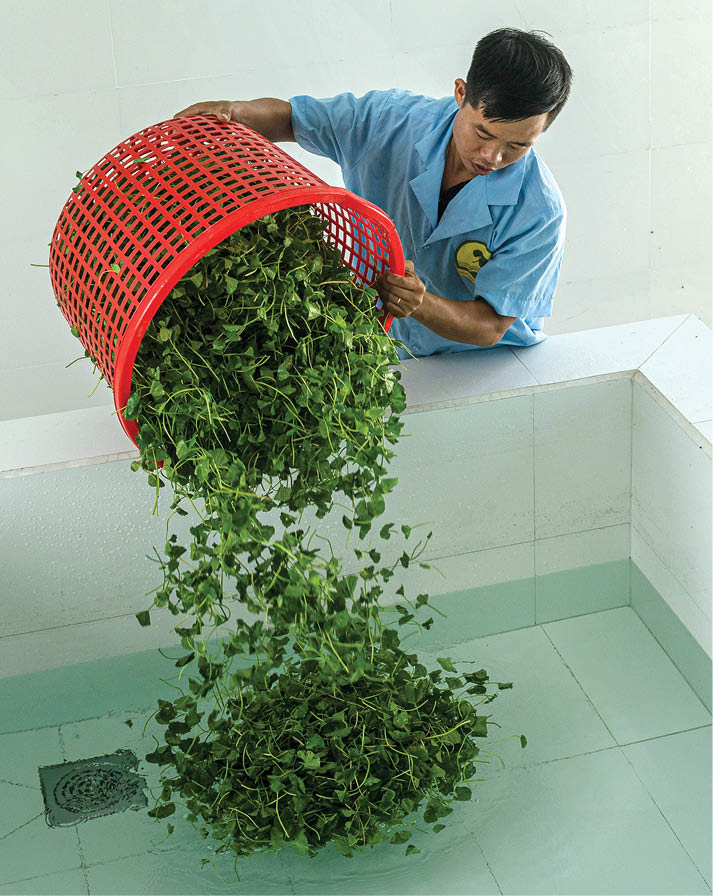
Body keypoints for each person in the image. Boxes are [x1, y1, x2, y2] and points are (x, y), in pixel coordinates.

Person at [174, 28, 573, 361]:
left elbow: (490, 325)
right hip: (385, 344)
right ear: (460, 93)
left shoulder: (539, 211)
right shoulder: (390, 122)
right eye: (482, 133)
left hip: (482, 362)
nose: (492, 156)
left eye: (517, 146)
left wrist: (421, 304)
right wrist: (232, 112)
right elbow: (296, 119)